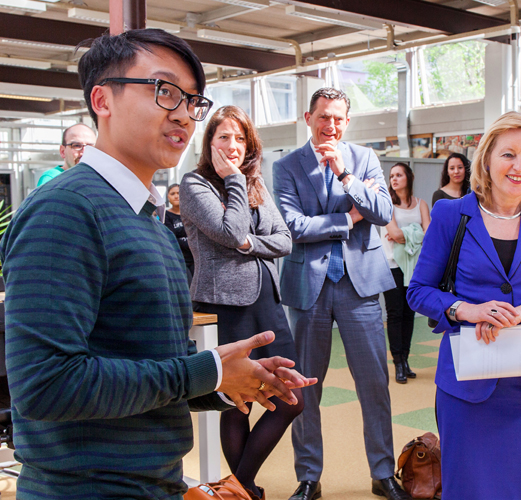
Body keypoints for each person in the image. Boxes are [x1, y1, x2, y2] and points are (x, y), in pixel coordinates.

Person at [0, 29, 316, 500]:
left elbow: (143, 365)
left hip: (152, 482)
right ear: (102, 99)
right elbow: (46, 386)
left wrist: (225, 380)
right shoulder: (66, 209)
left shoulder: (148, 221)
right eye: (164, 91)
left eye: (193, 101)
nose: (184, 114)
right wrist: (204, 372)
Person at [407, 111, 521, 499]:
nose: (519, 166)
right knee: (471, 487)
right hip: (469, 384)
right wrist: (466, 310)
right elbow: (418, 290)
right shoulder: (451, 214)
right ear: (487, 157)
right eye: (509, 154)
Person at [273, 88, 410, 500]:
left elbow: (383, 214)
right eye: (322, 117)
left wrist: (346, 176)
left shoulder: (364, 159)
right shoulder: (286, 166)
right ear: (308, 118)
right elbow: (294, 226)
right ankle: (309, 478)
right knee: (305, 387)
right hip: (308, 287)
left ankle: (383, 473)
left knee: (374, 383)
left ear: (346, 122)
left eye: (338, 118)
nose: (330, 125)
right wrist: (350, 218)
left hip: (361, 285)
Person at [180, 105, 301, 500]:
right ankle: (246, 489)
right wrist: (233, 180)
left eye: (240, 138)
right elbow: (230, 231)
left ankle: (240, 485)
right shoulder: (196, 184)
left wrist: (251, 243)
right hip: (223, 303)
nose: (234, 146)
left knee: (290, 399)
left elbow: (283, 240)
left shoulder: (255, 184)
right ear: (210, 143)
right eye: (224, 138)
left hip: (267, 302)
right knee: (237, 401)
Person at [381, 162, 430, 383]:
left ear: (408, 178)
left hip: (416, 267)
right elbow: (394, 234)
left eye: (399, 175)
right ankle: (397, 362)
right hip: (392, 266)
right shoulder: (387, 205)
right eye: (392, 176)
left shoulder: (421, 204)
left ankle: (406, 359)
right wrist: (412, 232)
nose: (394, 179)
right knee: (395, 314)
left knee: (409, 314)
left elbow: (428, 235)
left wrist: (406, 233)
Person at [164, 183, 195, 282]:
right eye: (172, 194)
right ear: (168, 197)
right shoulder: (166, 215)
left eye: (178, 193)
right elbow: (171, 237)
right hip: (179, 258)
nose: (176, 196)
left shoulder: (191, 213)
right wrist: (190, 241)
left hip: (195, 257)